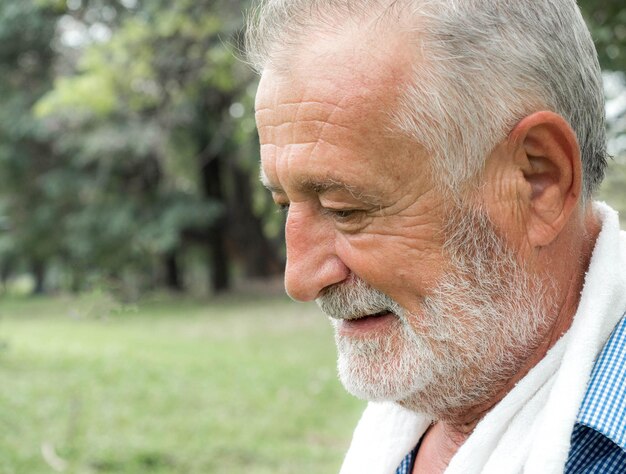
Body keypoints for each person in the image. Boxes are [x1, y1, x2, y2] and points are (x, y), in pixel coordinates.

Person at [246, 0, 626, 472]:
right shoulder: (424, 403)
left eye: (347, 210)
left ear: (536, 182)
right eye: (285, 204)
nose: (299, 279)